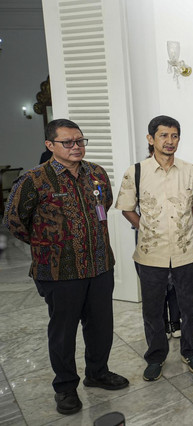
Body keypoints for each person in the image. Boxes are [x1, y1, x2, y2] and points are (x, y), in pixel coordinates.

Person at [3, 119, 129, 415]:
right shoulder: (34, 180)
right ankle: (66, 387)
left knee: (101, 326)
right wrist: (48, 245)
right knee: (63, 331)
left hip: (99, 265)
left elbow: (104, 205)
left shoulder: (96, 173)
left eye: (80, 141)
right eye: (68, 142)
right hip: (60, 272)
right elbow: (15, 221)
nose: (76, 147)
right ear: (50, 145)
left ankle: (98, 373)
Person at [116, 115, 193, 381]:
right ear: (151, 139)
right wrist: (145, 226)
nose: (169, 141)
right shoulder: (136, 171)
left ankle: (190, 351)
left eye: (174, 136)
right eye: (163, 136)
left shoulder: (191, 171)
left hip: (186, 252)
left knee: (190, 307)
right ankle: (156, 356)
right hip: (150, 253)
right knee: (152, 310)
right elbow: (127, 208)